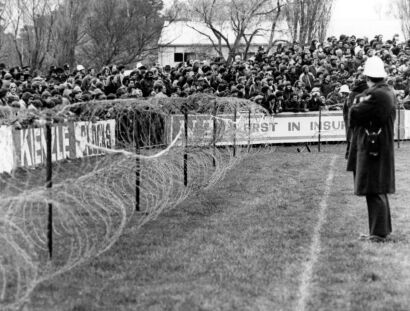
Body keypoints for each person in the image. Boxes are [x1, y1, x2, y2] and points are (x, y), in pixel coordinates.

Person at [347, 56, 396, 242]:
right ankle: (379, 231)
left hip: (373, 148)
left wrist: (356, 100)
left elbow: (354, 113)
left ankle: (378, 234)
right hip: (378, 146)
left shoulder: (377, 95)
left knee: (374, 189)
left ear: (368, 76)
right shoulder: (386, 92)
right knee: (377, 190)